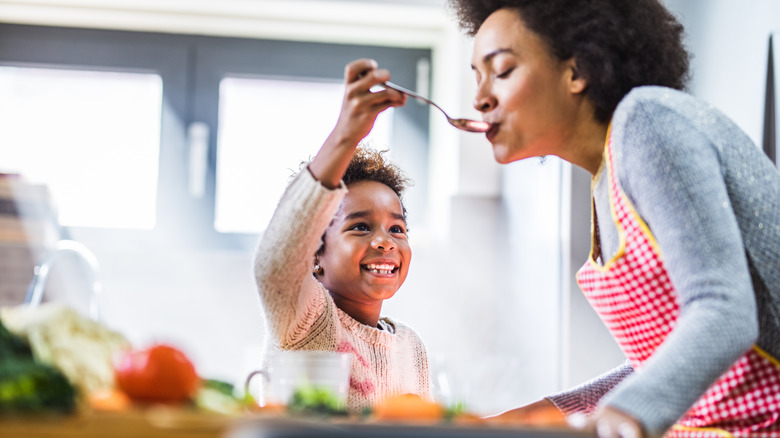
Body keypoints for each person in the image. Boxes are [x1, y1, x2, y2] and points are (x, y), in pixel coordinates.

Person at [447, 0, 780, 437]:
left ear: (577, 71)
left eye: (503, 70)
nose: (480, 97)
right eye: (477, 76)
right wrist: (533, 415)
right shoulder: (607, 176)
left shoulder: (647, 121)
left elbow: (724, 311)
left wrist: (618, 419)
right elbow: (662, 365)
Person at [253, 58, 432, 414]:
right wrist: (345, 137)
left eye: (397, 228)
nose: (386, 242)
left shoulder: (411, 346)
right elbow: (276, 268)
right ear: (315, 254)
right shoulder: (307, 320)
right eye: (360, 226)